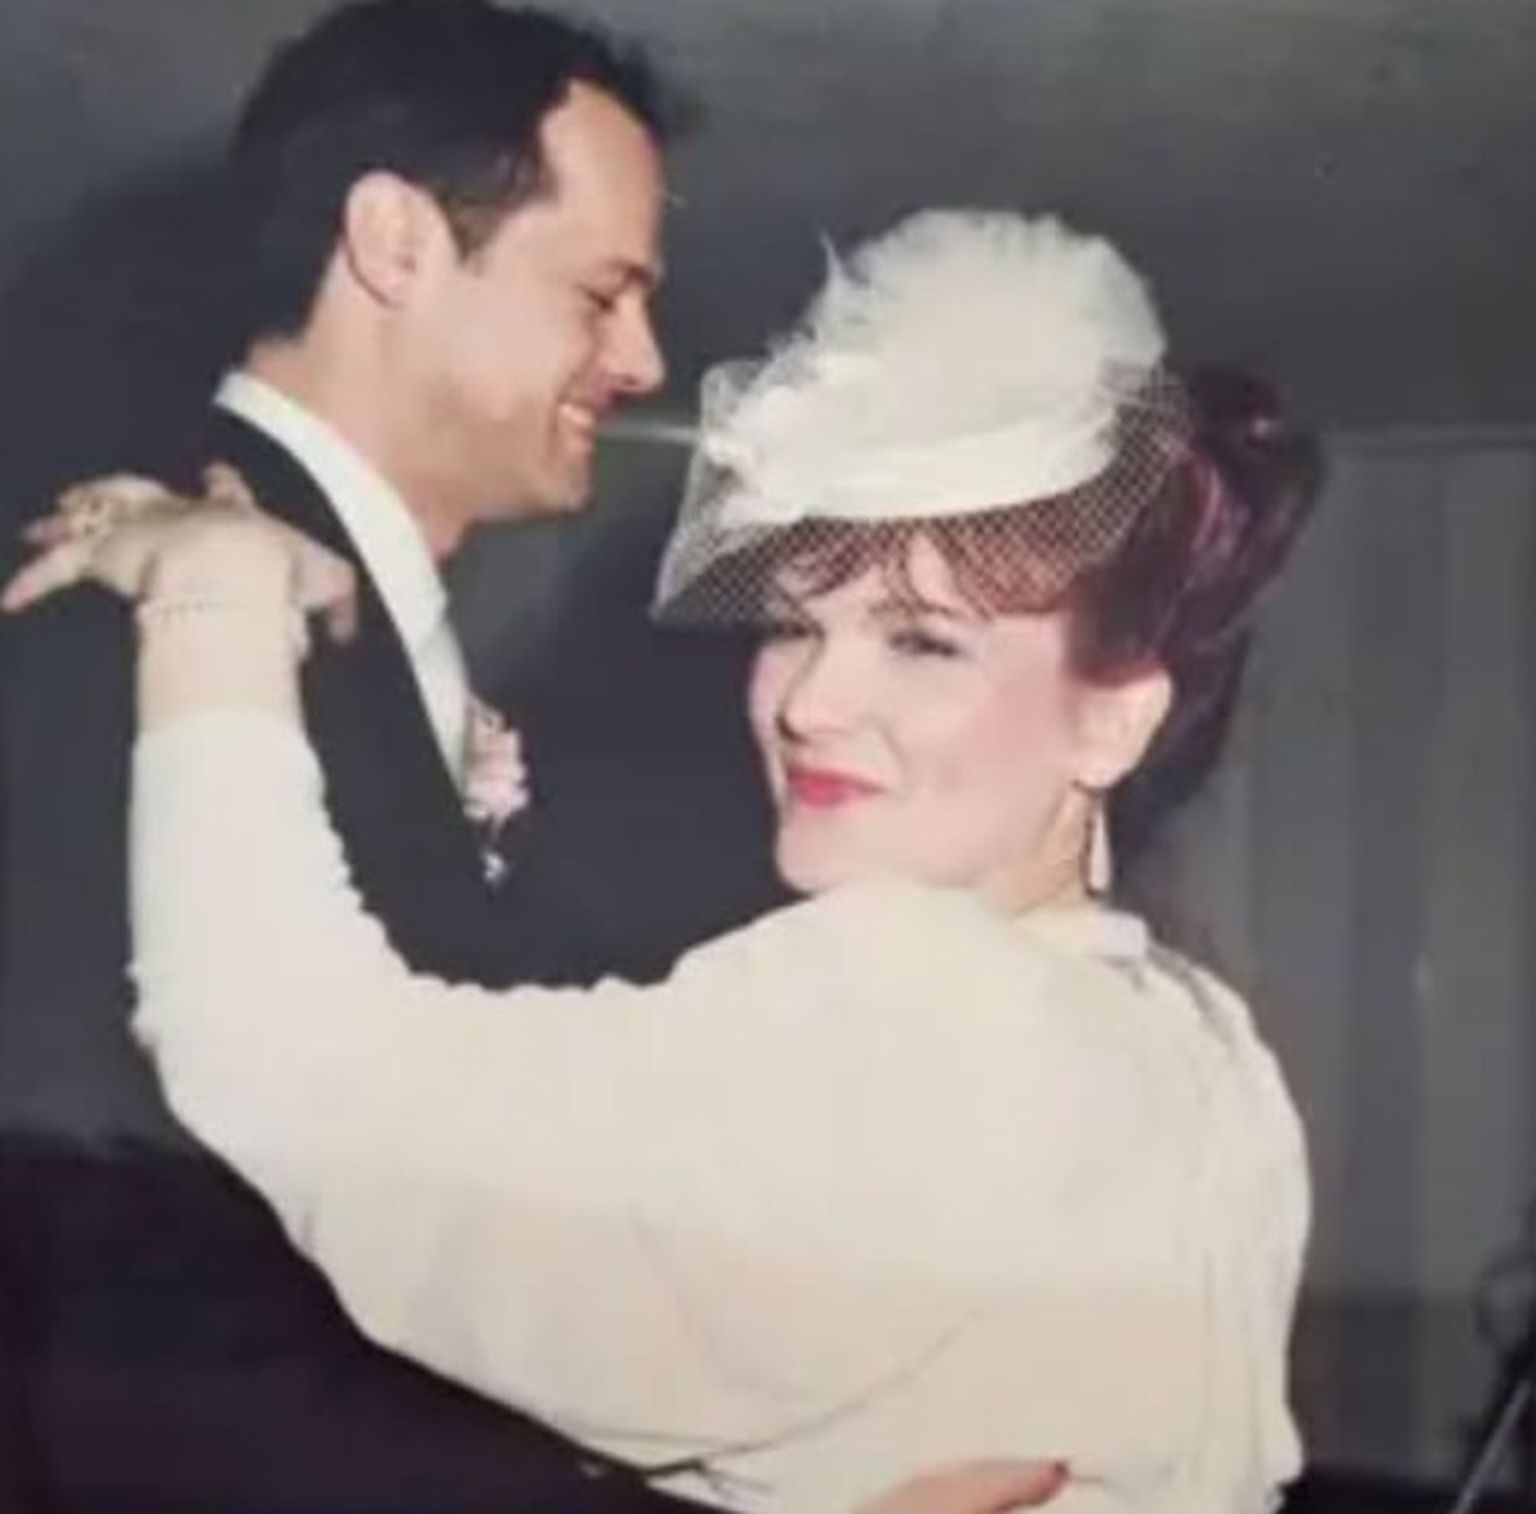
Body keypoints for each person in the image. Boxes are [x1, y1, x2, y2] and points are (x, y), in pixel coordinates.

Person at [6, 210, 1320, 1511]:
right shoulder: (1206, 1056)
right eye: (792, 626)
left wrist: (214, 585)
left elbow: (283, 1060)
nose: (810, 702)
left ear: (1114, 717)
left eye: (924, 642)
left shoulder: (915, 996)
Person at [0, 1, 698, 1508]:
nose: (644, 357)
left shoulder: (346, 640)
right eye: (603, 293)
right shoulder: (128, 611)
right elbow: (108, 1311)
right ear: (394, 242)